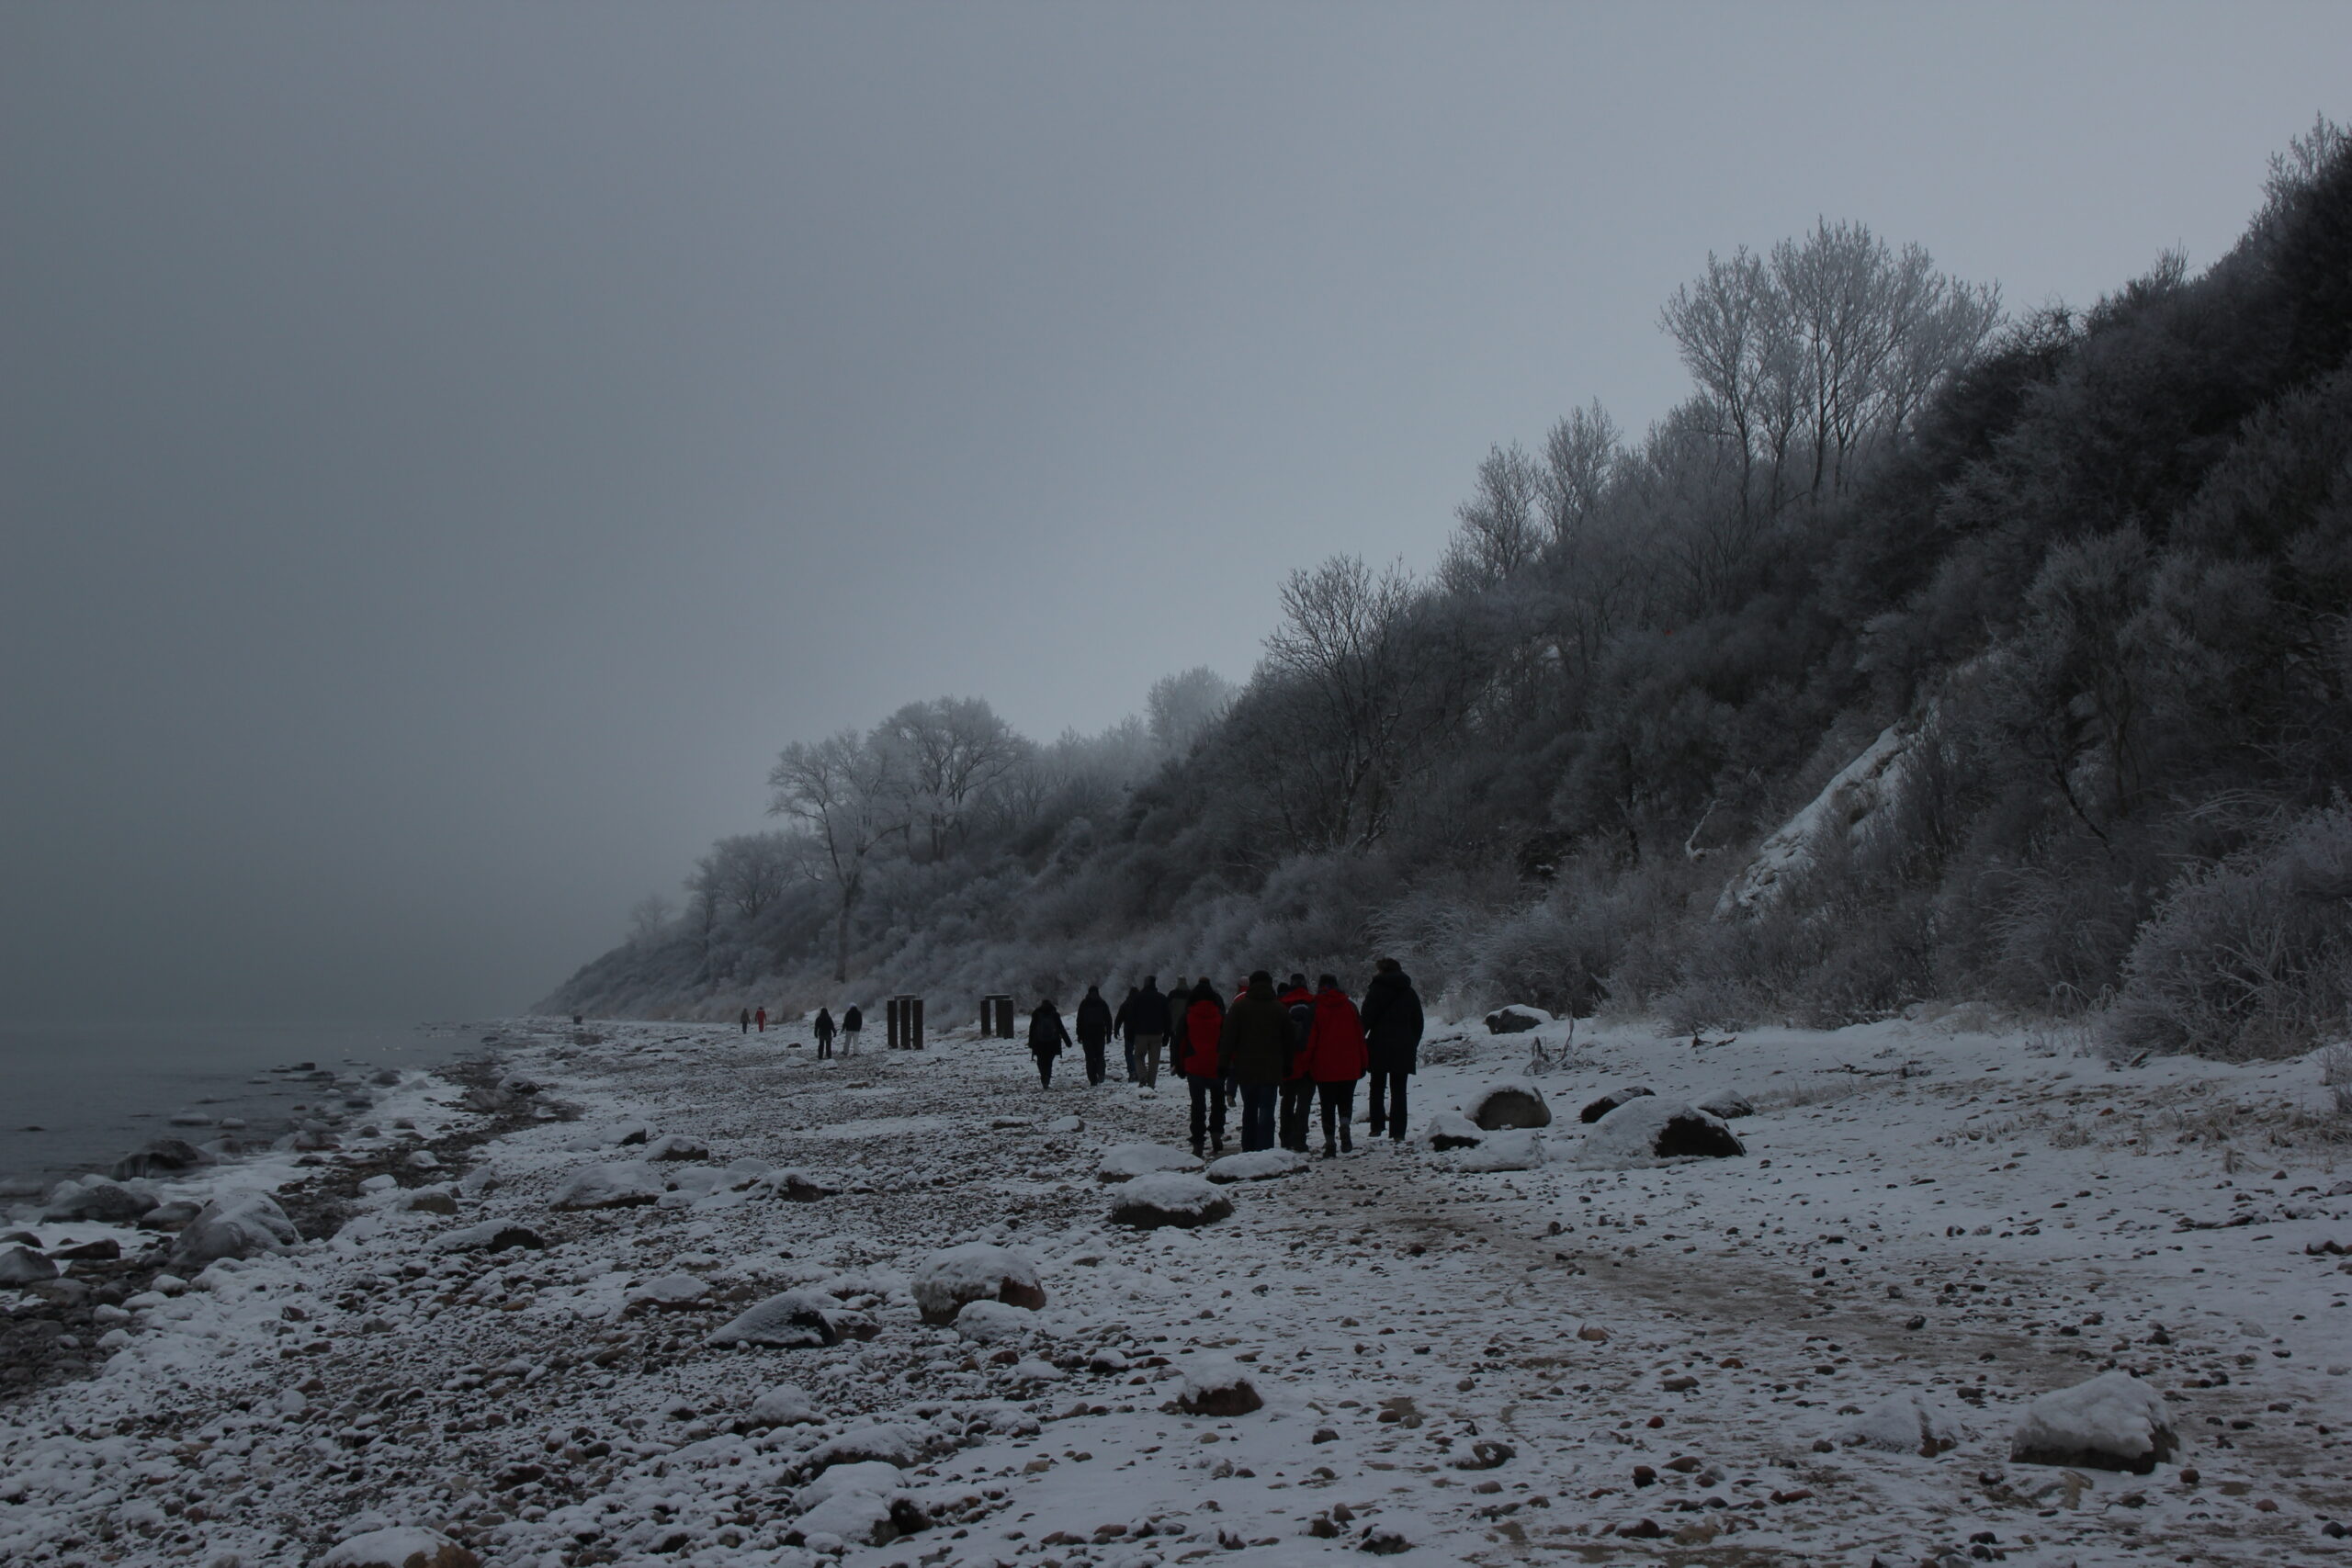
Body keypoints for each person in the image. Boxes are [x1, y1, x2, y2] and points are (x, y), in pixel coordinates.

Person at [1218, 971, 1296, 1152]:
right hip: (1271, 1069)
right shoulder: (1279, 1008)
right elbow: (1289, 1041)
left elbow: (1228, 1038)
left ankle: (1249, 1148)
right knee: (1267, 1110)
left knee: (1250, 1110)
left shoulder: (1239, 1008)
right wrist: (1288, 1065)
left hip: (1246, 1069)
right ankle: (1266, 1149)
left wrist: (1223, 1064)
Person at [1360, 958, 1423, 1140]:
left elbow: (1366, 1019)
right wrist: (1412, 1042)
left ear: (1381, 971)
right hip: (1403, 1046)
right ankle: (1398, 1131)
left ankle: (1376, 1126)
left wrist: (1361, 1041)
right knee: (1399, 1090)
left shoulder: (1375, 991)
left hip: (1378, 1044)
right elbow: (1418, 1022)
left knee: (1377, 1086)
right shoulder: (1409, 992)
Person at [1305, 974, 1368, 1157]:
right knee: (1346, 1100)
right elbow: (1360, 1037)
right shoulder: (1350, 1006)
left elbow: (1310, 1041)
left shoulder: (1315, 1007)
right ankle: (1345, 1125)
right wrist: (1363, 1062)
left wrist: (1306, 1064)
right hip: (1349, 1063)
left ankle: (1330, 1142)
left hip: (1324, 1066)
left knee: (1327, 1105)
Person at [1174, 977, 1228, 1156]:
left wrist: (1179, 1064)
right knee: (1218, 1102)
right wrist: (1228, 1062)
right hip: (1216, 1065)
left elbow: (1180, 1042)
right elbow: (1227, 1041)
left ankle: (1198, 1141)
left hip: (1194, 1065)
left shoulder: (1188, 1016)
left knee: (1197, 1105)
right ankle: (1216, 1132)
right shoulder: (1220, 1016)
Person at [1276, 974, 1316, 1153]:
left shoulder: (1281, 1005)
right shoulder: (1313, 1003)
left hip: (1288, 1060)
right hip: (1308, 1060)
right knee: (1304, 1102)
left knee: (1287, 1100)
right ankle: (1301, 1138)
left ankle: (1285, 1137)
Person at [1132, 976, 1173, 1088]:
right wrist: (1167, 1035)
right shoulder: (1162, 998)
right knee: (1154, 1061)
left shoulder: (1138, 998)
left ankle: (1142, 1076)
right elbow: (1167, 1018)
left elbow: (1132, 1017)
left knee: (1138, 1056)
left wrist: (1132, 1033)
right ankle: (1151, 1085)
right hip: (1157, 1034)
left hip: (1141, 1034)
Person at [1075, 985, 1114, 1086]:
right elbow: (1108, 1020)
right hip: (1100, 1033)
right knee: (1100, 1055)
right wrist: (1109, 1034)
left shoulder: (1084, 1004)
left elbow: (1079, 1020)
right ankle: (1101, 1073)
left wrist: (1079, 1035)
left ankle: (1092, 1079)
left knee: (1089, 1057)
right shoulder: (1102, 1003)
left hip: (1086, 1034)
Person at [1028, 998, 1070, 1089]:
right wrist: (1068, 1041)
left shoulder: (1037, 1014)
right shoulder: (1054, 1014)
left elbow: (1032, 1028)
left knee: (1040, 1061)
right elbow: (1061, 1028)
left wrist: (1031, 1042)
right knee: (1049, 1062)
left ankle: (1044, 1076)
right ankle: (1047, 1077)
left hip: (1039, 1043)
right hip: (1052, 1042)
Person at [1113, 985, 1142, 1080]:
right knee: (1140, 1053)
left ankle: (1132, 1071)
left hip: (1129, 1032)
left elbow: (1119, 1019)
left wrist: (1116, 1030)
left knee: (1129, 1052)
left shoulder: (1125, 1004)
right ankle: (1140, 1071)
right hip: (1140, 1032)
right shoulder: (1142, 1004)